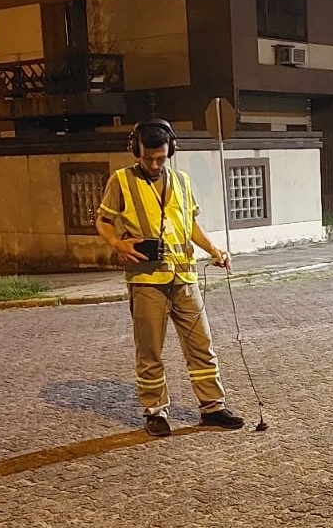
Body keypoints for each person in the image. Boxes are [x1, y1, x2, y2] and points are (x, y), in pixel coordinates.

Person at [96, 117, 244, 436]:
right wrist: (116, 243)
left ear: (170, 151)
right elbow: (103, 221)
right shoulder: (120, 181)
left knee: (202, 345)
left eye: (160, 157)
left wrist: (214, 250)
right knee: (150, 349)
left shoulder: (182, 181)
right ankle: (155, 411)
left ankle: (213, 408)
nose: (153, 163)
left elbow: (190, 226)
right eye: (147, 157)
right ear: (136, 150)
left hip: (184, 277)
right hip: (146, 280)